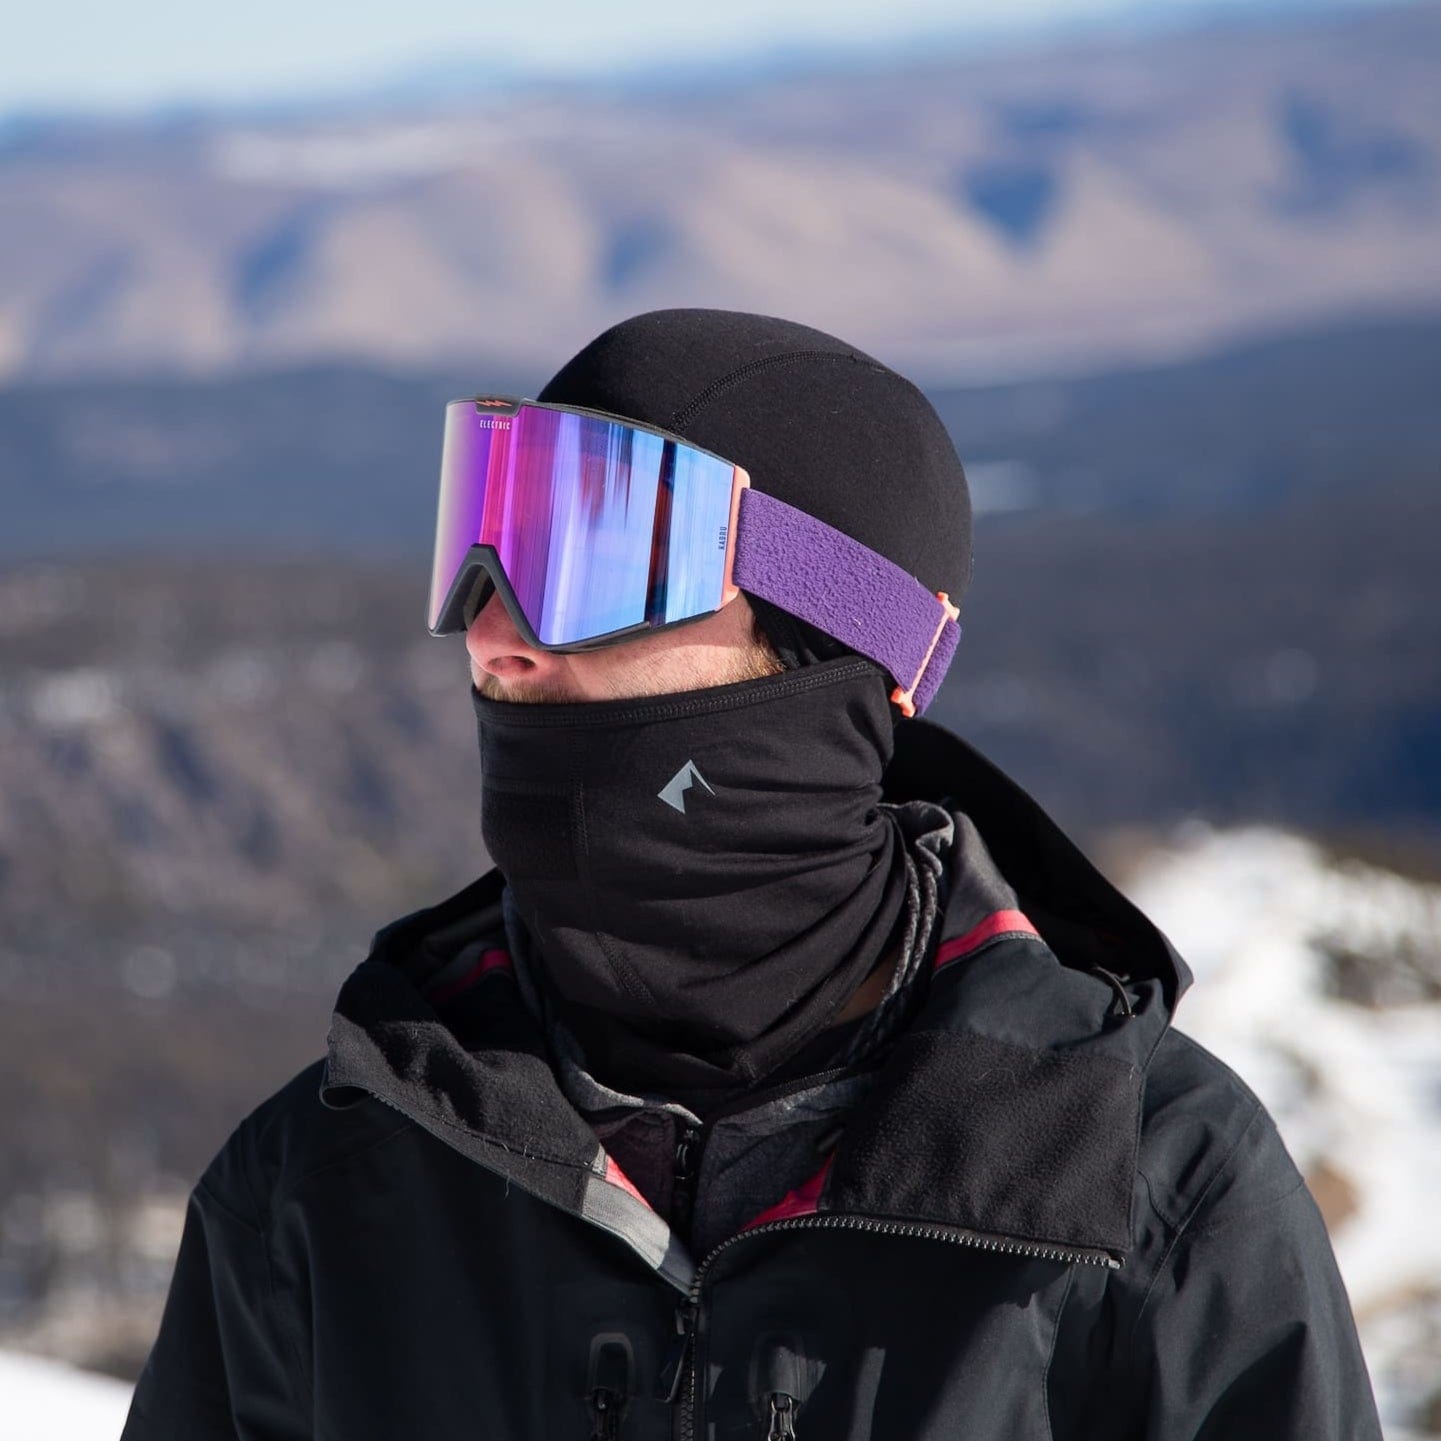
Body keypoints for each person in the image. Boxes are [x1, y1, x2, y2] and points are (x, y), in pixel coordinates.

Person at [121, 308, 1381, 1440]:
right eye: (487, 541)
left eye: (591, 557)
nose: (491, 633)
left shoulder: (1147, 1194)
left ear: (834, 633)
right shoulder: (317, 1189)